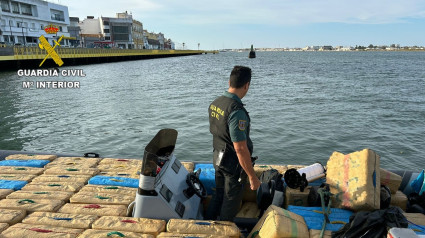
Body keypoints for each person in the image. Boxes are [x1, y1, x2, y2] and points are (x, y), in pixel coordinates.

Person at [206, 65, 261, 221]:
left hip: (217, 158)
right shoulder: (236, 111)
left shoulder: (216, 103)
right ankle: (224, 230)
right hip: (232, 165)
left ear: (229, 81)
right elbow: (240, 148)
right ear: (246, 85)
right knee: (231, 200)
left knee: (218, 194)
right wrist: (252, 177)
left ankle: (206, 225)